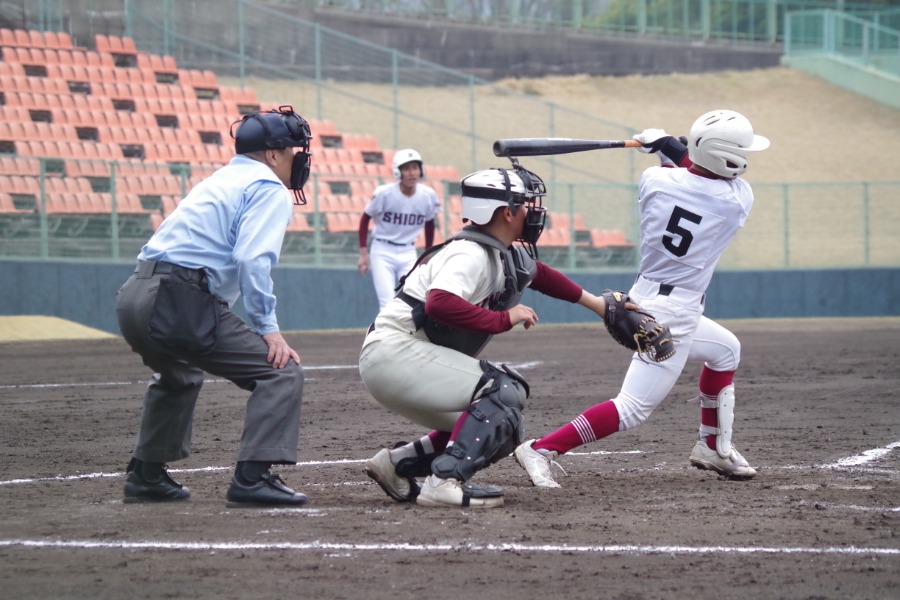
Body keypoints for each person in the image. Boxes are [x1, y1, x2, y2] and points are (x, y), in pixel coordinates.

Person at [514, 109, 770, 487]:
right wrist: (666, 143)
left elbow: (683, 169)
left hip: (644, 295)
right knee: (632, 408)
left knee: (725, 350)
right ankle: (542, 448)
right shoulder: (736, 201)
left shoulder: (654, 181)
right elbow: (690, 166)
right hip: (674, 312)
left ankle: (713, 447)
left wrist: (663, 147)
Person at [359, 162, 625, 508]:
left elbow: (539, 274)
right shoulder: (469, 252)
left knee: (503, 427)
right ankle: (443, 482)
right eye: (523, 204)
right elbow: (439, 303)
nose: (531, 212)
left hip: (401, 357)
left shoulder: (496, 252)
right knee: (503, 391)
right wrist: (502, 319)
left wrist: (600, 306)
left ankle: (397, 464)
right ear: (504, 212)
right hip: (395, 352)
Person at [115, 105, 314, 507]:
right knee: (281, 373)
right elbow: (252, 259)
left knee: (179, 374)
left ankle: (146, 475)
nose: (301, 157)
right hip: (176, 298)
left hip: (135, 293)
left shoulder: (220, 178)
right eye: (296, 150)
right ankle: (252, 478)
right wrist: (267, 328)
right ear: (274, 154)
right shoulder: (267, 187)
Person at [357, 148, 441, 310]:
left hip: (408, 252)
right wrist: (363, 254)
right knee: (387, 303)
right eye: (407, 168)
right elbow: (365, 218)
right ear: (398, 171)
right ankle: (383, 336)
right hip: (382, 250)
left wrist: (427, 252)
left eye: (415, 168)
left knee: (413, 299)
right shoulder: (384, 193)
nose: (412, 173)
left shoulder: (427, 195)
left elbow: (430, 223)